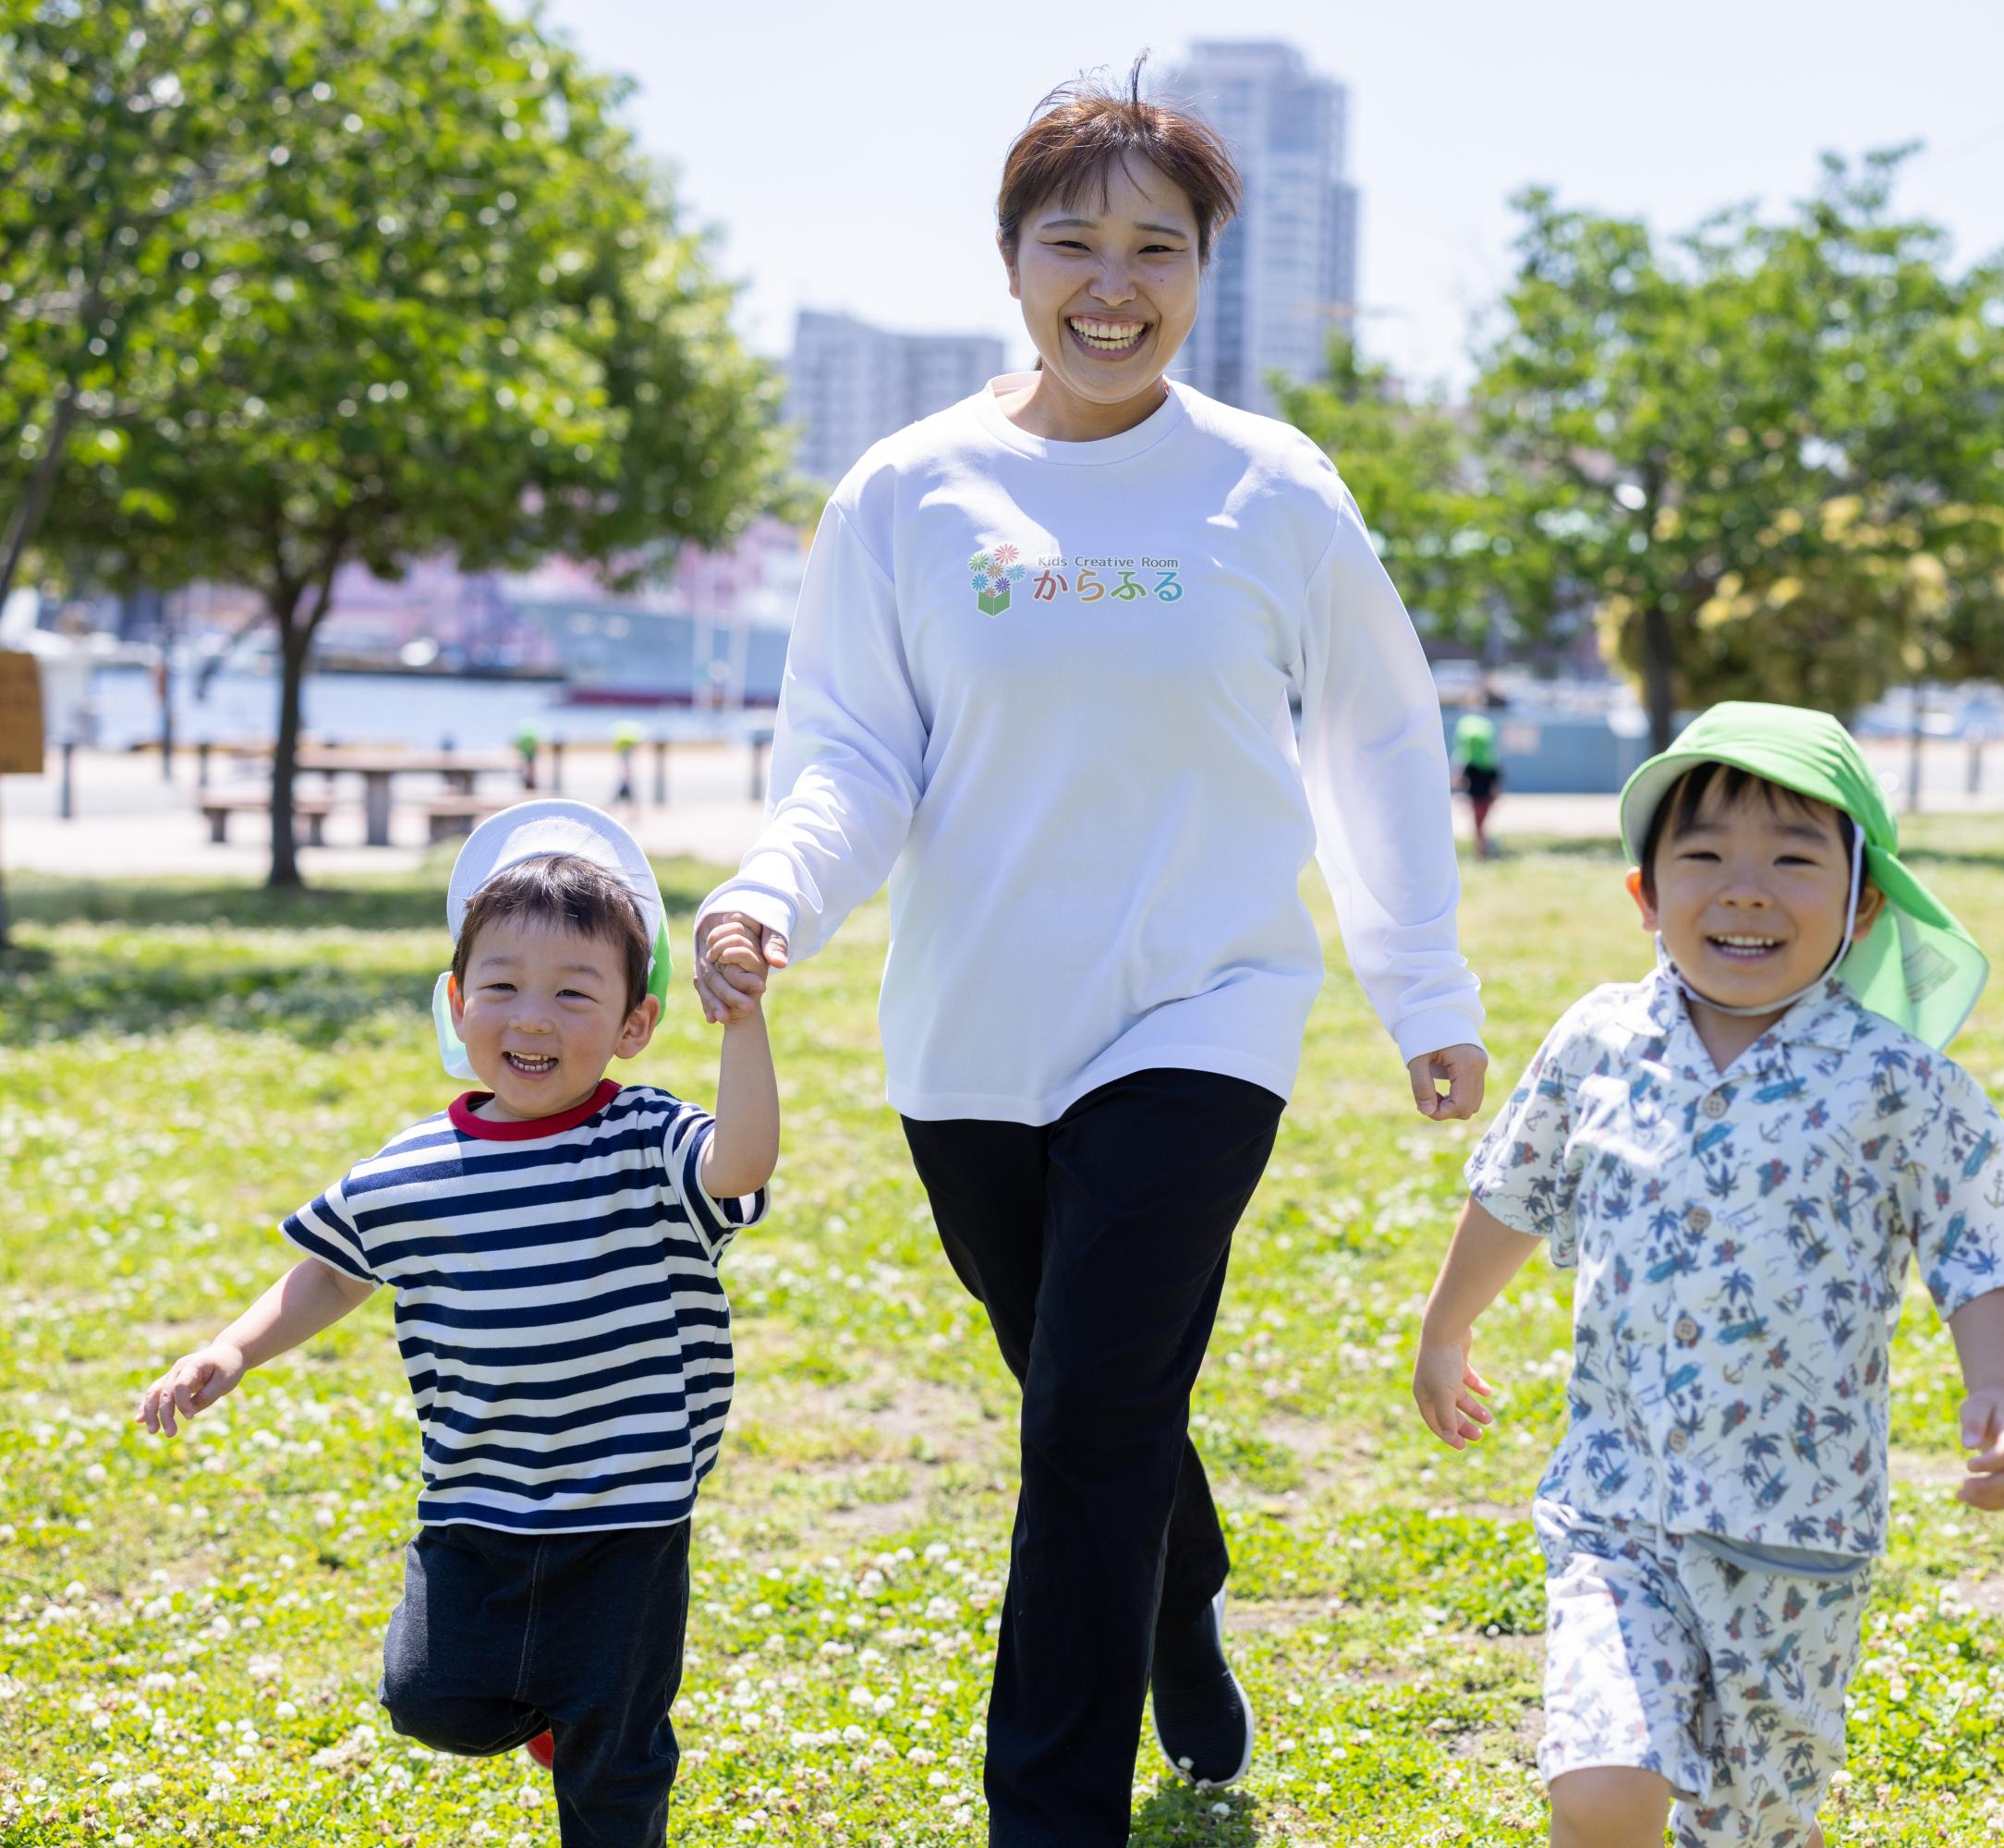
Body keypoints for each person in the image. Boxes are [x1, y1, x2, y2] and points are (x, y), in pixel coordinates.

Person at [687, 64, 1485, 1845]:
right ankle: (1178, 1598)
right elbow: (851, 752)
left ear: (1204, 270)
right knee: (1083, 1399)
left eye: (1156, 248)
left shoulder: (1273, 489)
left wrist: (1421, 989)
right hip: (973, 1039)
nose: (1112, 285)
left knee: (1085, 1430)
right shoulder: (906, 492)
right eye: (1073, 243)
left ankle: (1048, 1817)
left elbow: (1376, 739)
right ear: (1010, 261)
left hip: (1206, 1015)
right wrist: (772, 894)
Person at [1410, 703, 2004, 1848]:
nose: (1747, 890)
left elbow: (1980, 1245)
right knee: (1599, 1787)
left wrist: (1996, 1388)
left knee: (1754, 1823)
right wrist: (1445, 1326)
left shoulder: (1898, 1080)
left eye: (1794, 859)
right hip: (1616, 1505)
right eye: (1706, 855)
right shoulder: (1599, 1039)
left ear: (1864, 904)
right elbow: (1515, 1186)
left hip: (1798, 1531)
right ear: (1646, 893)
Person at [135, 800, 779, 1848]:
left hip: (630, 1497)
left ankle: (590, 1736)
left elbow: (740, 1165)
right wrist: (231, 1348)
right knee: (429, 1695)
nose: (533, 1018)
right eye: (503, 986)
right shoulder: (411, 1168)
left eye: (574, 993)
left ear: (634, 1024)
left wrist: (743, 1025)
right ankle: (549, 1712)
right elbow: (333, 1272)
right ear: (456, 1002)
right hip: (478, 1489)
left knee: (616, 1748)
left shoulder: (648, 1138)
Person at [1453, 691, 1505, 859]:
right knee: (1478, 816)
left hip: (1485, 772)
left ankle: (1482, 847)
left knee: (1480, 816)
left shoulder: (1482, 724)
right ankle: (1482, 848)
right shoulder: (1467, 725)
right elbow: (1462, 753)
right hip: (1475, 772)